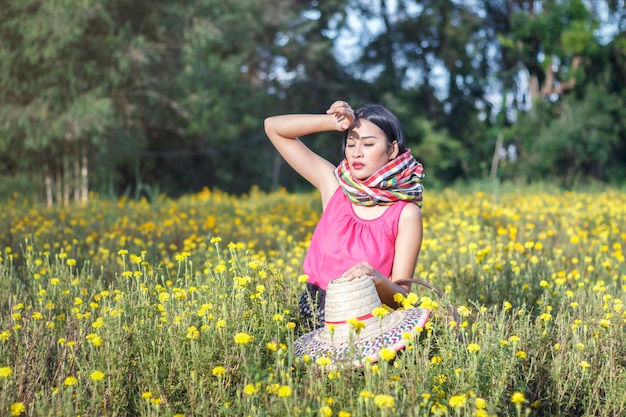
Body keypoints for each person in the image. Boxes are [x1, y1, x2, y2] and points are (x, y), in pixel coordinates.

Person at [264, 101, 424, 329]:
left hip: (366, 328)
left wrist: (377, 279)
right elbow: (273, 127)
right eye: (351, 144)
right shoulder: (335, 188)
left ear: (392, 150)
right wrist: (332, 122)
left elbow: (403, 299)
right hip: (311, 320)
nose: (357, 152)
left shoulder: (406, 214)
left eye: (368, 144)